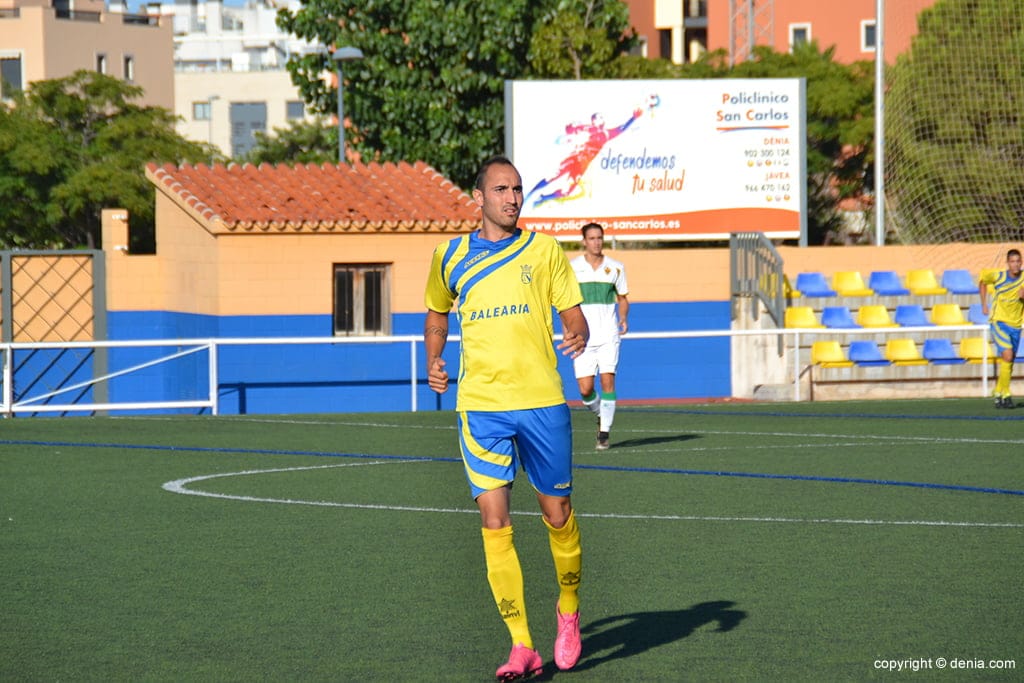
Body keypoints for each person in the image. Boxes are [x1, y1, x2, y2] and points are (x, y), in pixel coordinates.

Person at [423, 155, 590, 680]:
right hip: (480, 408)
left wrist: (579, 332)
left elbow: (572, 313)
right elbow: (436, 312)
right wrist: (434, 358)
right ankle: (522, 645)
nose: (513, 198)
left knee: (557, 512)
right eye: (501, 190)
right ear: (479, 198)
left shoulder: (544, 251)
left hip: (542, 401)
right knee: (494, 521)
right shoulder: (449, 256)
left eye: (517, 189)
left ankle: (567, 611)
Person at [571, 223, 629, 450]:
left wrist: (623, 318)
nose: (596, 242)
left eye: (599, 238)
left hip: (608, 334)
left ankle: (604, 432)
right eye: (592, 238)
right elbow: (566, 303)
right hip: (582, 337)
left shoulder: (616, 268)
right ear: (584, 241)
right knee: (585, 390)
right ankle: (601, 415)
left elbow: (623, 298)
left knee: (607, 381)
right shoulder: (572, 268)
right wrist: (569, 328)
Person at [979, 248, 1024, 408]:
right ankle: (1006, 395)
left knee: (1009, 361)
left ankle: (998, 391)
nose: (1015, 264)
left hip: (1016, 325)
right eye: (1012, 261)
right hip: (999, 322)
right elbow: (983, 281)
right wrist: (984, 304)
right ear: (1008, 263)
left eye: (1018, 261)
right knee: (1007, 355)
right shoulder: (998, 276)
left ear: (1021, 262)